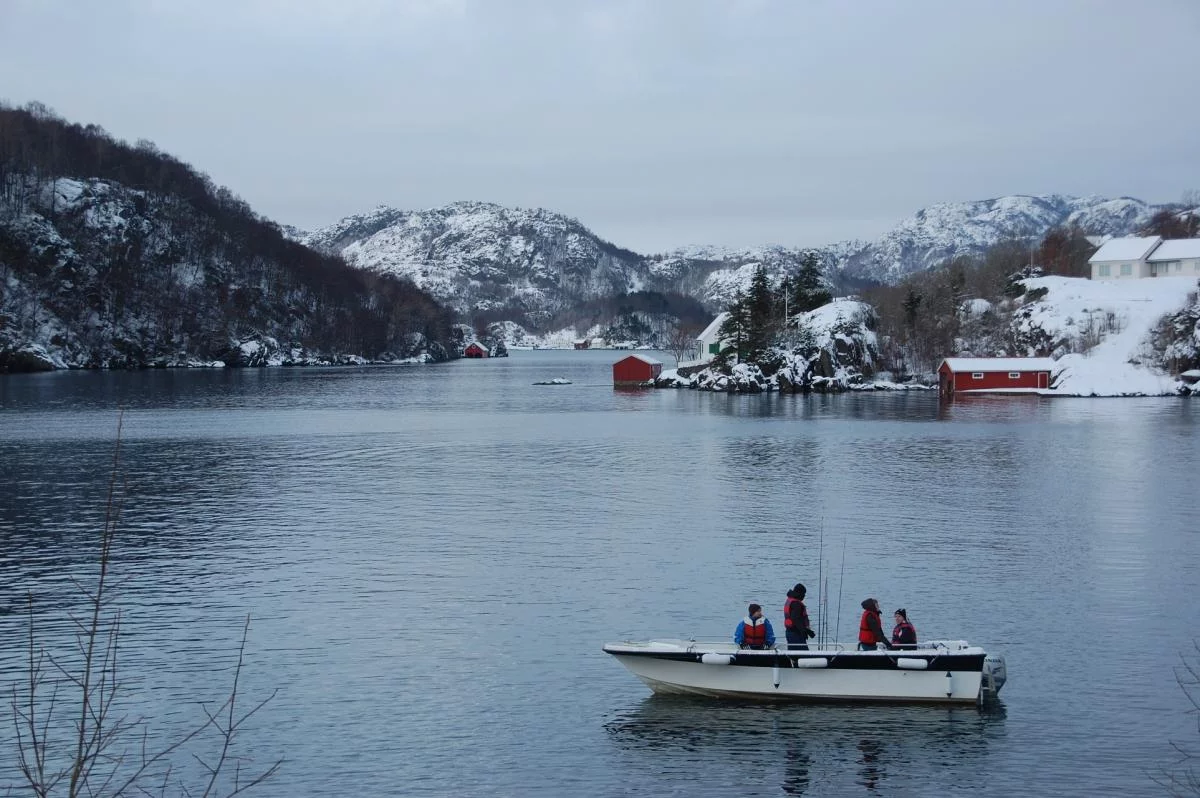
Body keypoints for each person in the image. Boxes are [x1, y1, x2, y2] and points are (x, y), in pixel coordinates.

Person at [783, 583, 816, 650]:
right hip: (796, 634)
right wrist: (804, 631)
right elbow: (795, 619)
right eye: (803, 593)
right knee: (804, 655)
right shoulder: (796, 604)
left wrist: (806, 630)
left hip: (789, 632)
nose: (804, 596)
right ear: (800, 593)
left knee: (793, 654)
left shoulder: (790, 600)